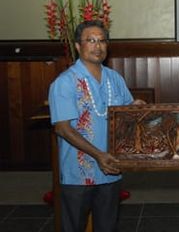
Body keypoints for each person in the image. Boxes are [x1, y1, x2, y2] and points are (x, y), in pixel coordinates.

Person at [48, 20, 143, 232]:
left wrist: (135, 109)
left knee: (107, 227)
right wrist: (99, 155)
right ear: (78, 46)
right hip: (78, 173)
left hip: (111, 169)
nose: (97, 46)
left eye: (102, 41)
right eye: (90, 40)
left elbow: (126, 115)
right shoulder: (65, 82)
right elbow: (62, 128)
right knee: (73, 227)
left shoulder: (115, 78)